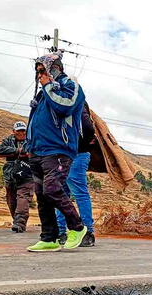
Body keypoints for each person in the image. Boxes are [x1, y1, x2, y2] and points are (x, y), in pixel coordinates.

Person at [25, 52, 87, 252]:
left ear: (54, 68)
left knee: (52, 189)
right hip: (38, 151)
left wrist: (49, 85)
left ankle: (77, 227)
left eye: (42, 70)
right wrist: (29, 145)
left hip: (58, 149)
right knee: (42, 195)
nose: (39, 75)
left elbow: (65, 106)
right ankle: (49, 237)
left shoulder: (70, 87)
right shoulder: (42, 93)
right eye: (37, 71)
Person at [57, 101, 96, 247]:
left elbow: (87, 127)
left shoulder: (73, 103)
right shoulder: (77, 103)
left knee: (67, 193)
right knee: (68, 193)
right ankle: (83, 231)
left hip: (73, 153)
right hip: (74, 153)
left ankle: (81, 231)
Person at [0, 121, 34, 232]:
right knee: (11, 199)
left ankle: (20, 223)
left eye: (23, 130)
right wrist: (18, 151)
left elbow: (37, 152)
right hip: (10, 175)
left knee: (24, 197)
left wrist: (27, 155)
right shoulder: (8, 140)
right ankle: (16, 221)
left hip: (27, 174)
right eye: (19, 131)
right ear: (14, 132)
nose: (21, 133)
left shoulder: (31, 140)